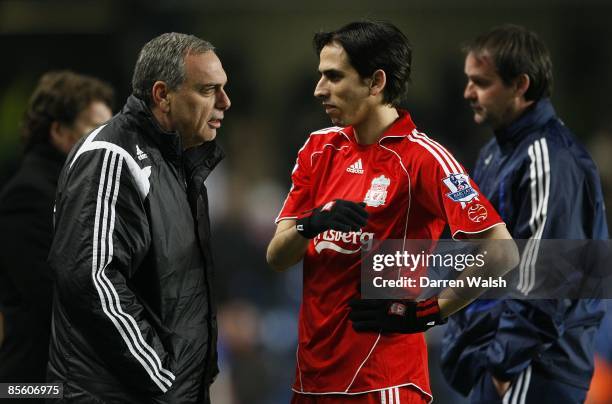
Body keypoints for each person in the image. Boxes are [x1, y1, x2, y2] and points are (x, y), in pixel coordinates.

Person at [266, 21, 518, 404]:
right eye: (321, 76)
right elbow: (277, 257)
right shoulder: (318, 149)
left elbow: (502, 252)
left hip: (384, 383)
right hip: (310, 382)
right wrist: (312, 223)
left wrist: (427, 312)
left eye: (334, 77)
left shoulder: (425, 159)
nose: (319, 90)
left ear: (375, 81)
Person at [46, 32, 230, 403]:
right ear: (163, 95)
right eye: (209, 90)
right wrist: (159, 374)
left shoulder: (179, 163)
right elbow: (90, 278)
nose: (225, 102)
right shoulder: (111, 156)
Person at [441, 24, 609, 404]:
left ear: (520, 86)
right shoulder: (495, 153)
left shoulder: (549, 157)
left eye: (481, 82)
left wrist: (503, 366)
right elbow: (477, 252)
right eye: (468, 81)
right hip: (497, 361)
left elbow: (549, 276)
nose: (468, 93)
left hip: (532, 365)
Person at [0, 71, 113, 387]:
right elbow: (52, 295)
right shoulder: (28, 195)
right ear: (59, 132)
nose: (109, 141)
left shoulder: (87, 193)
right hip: (35, 383)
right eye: (96, 129)